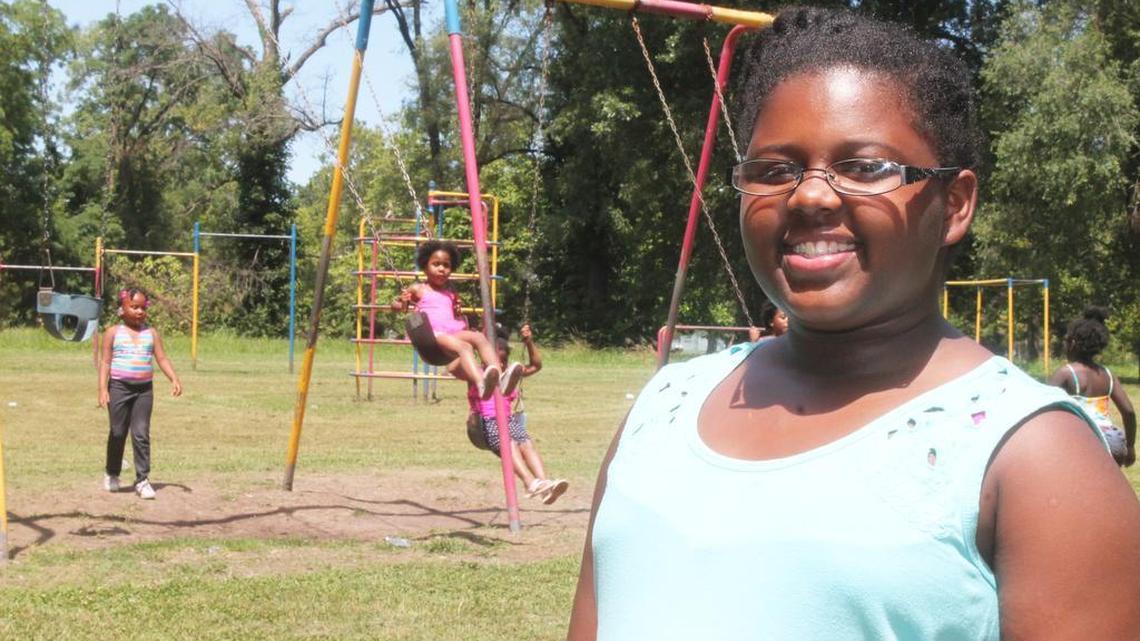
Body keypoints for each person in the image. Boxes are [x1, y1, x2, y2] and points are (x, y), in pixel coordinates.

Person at [567, 7, 1140, 640]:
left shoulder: (1032, 455)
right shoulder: (663, 407)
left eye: (865, 167)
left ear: (953, 205)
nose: (809, 195)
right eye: (775, 170)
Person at [393, 240, 522, 400]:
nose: (441, 269)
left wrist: (457, 309)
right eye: (436, 264)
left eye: (446, 265)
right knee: (465, 347)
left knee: (479, 337)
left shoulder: (451, 291)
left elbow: (453, 313)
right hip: (432, 336)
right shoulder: (418, 289)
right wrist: (403, 301)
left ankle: (501, 377)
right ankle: (481, 384)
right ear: (425, 267)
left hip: (451, 332)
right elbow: (396, 305)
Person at [467, 324, 569, 505]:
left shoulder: (510, 375)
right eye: (495, 361)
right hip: (486, 423)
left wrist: (528, 342)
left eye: (503, 362)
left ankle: (545, 484)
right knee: (510, 443)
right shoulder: (479, 374)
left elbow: (536, 365)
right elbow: (458, 362)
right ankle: (530, 483)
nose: (500, 366)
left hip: (507, 420)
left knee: (526, 443)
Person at [97, 288, 182, 500]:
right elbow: (105, 362)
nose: (139, 311)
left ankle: (142, 480)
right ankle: (112, 473)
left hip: (144, 390)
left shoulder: (150, 334)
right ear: (122, 309)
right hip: (118, 388)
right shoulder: (112, 333)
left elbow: (161, 359)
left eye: (143, 307)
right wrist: (102, 389)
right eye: (134, 307)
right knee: (117, 432)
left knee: (141, 433)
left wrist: (173, 378)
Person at [1048, 306, 1136, 466]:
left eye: (1066, 340)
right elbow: (1129, 411)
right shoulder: (1108, 375)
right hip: (1112, 441)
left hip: (1084, 439)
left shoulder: (1066, 373)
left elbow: (1042, 406)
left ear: (1073, 343)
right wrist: (1130, 446)